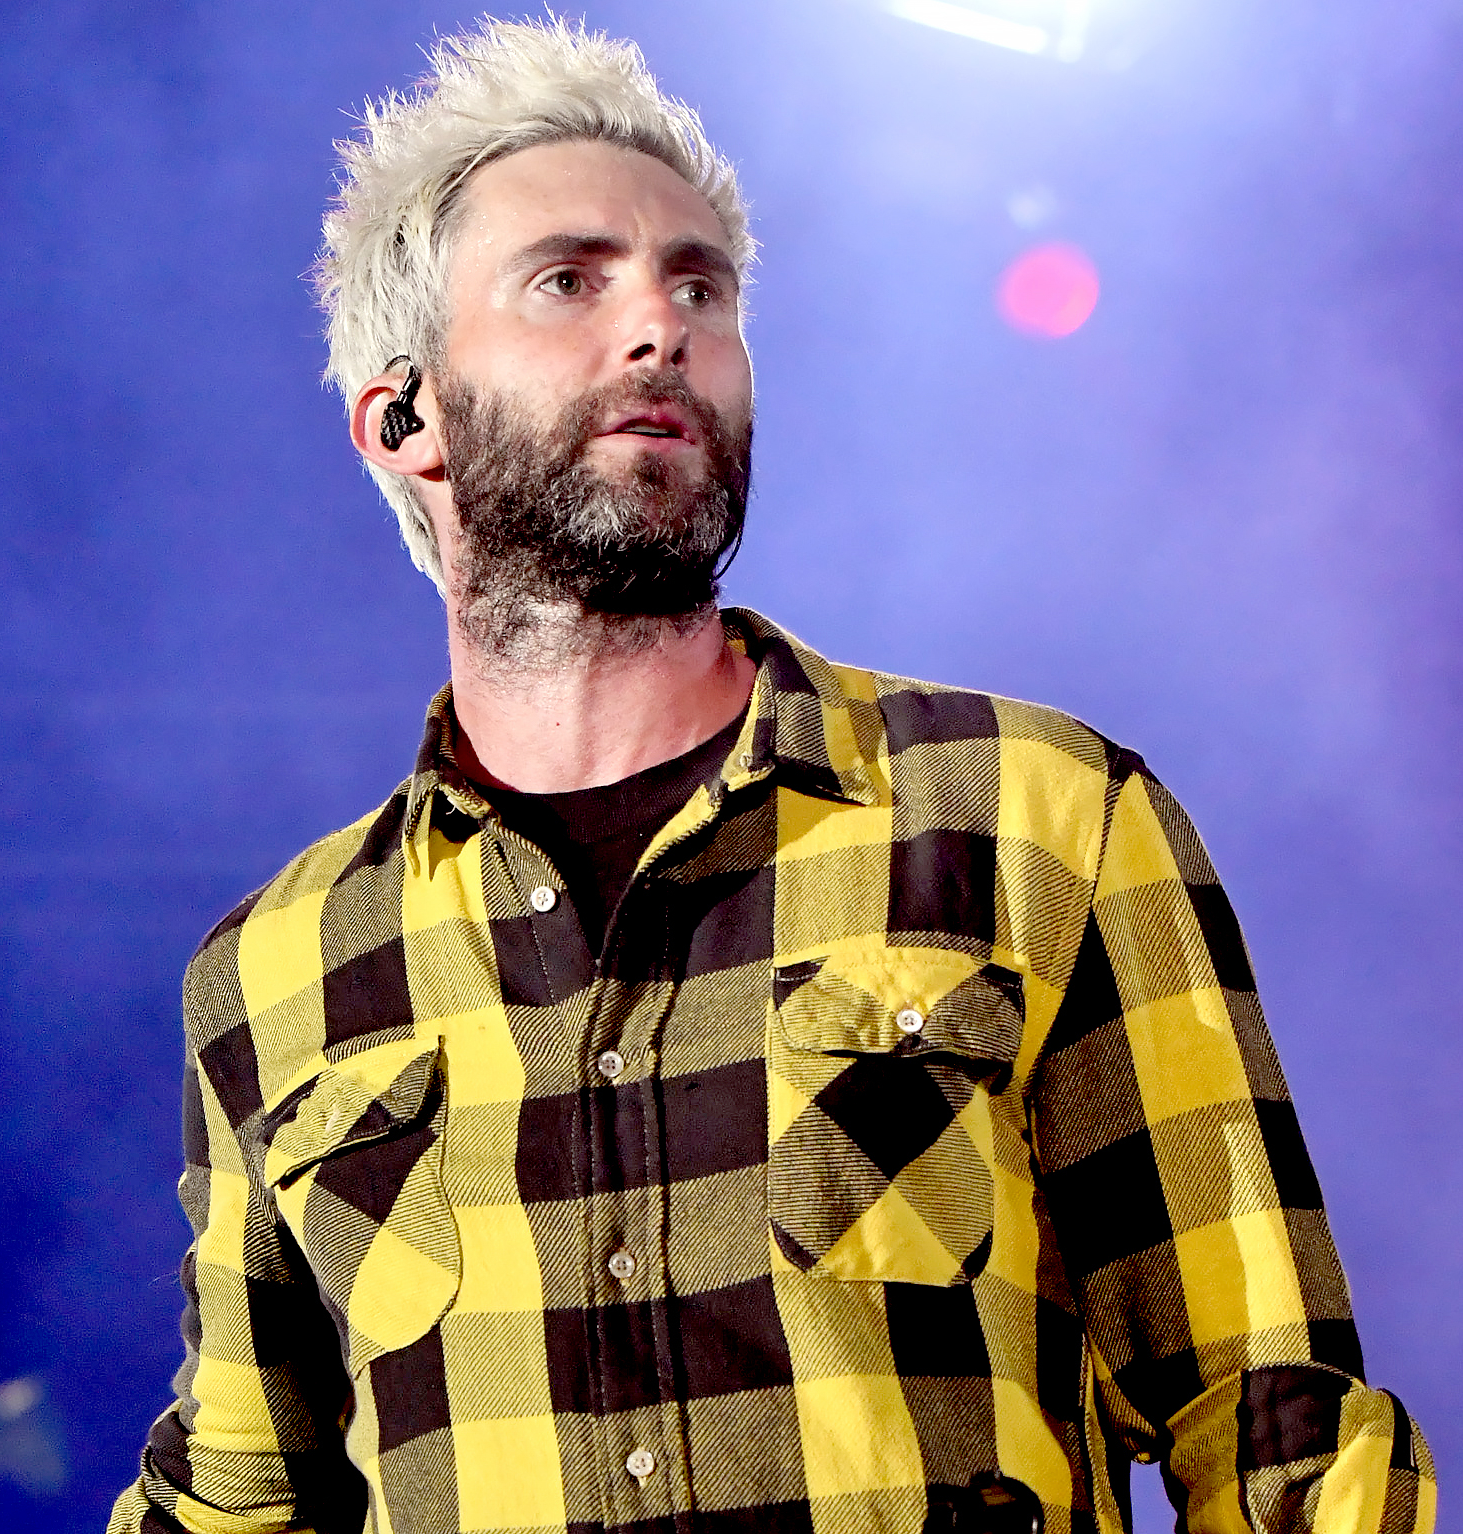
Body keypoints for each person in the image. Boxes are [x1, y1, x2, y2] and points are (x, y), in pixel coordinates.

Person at [110, 19, 1434, 1534]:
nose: (659, 328)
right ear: (405, 420)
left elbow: (1276, 1431)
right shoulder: (277, 973)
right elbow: (235, 1503)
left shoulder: (1034, 819)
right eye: (569, 280)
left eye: (700, 288)